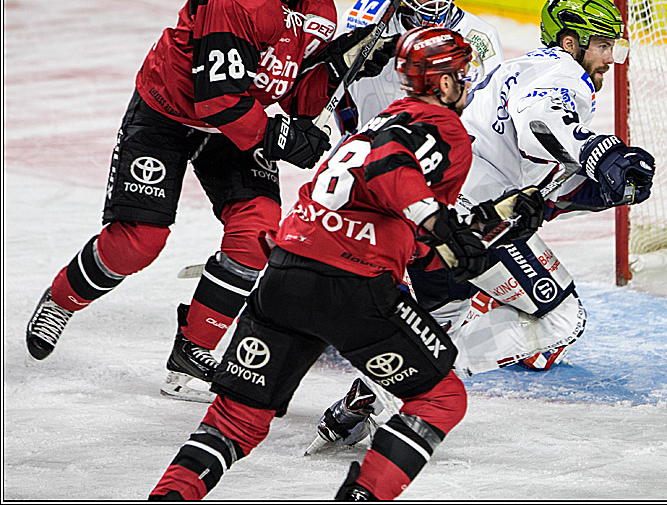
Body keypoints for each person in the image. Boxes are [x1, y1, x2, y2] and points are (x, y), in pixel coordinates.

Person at [24, 0, 397, 402]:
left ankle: (191, 353)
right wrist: (281, 138)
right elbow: (217, 97)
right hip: (169, 113)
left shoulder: (320, 11)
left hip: (234, 126)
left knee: (257, 233)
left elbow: (293, 96)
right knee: (138, 241)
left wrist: (337, 66)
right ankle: (62, 299)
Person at [149, 26, 489, 501]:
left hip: (286, 272)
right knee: (441, 398)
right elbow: (389, 167)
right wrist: (437, 222)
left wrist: (477, 226)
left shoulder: (381, 120)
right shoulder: (443, 127)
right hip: (351, 284)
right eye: (462, 74)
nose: (468, 82)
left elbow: (405, 217)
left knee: (236, 420)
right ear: (445, 83)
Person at [308, 0, 656, 452]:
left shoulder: (523, 68)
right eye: (603, 45)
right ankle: (408, 385)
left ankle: (358, 405)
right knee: (562, 318)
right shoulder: (562, 73)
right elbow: (540, 123)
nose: (611, 58)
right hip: (472, 220)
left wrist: (601, 189)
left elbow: (538, 183)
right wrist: (596, 150)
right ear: (571, 42)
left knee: (444, 320)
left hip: (433, 213)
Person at [333, 0, 504, 137]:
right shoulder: (368, 18)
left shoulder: (479, 37)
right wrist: (352, 133)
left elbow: (490, 116)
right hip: (372, 143)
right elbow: (340, 86)